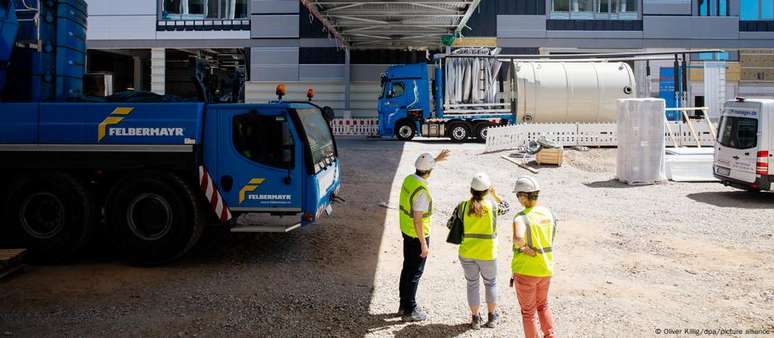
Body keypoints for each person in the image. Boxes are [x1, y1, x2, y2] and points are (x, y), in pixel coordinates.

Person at [397, 149, 450, 321]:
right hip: (417, 235)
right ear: (429, 172)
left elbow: (424, 168)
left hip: (406, 231)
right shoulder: (422, 191)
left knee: (407, 269)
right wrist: (423, 243)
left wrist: (436, 160)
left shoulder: (409, 179)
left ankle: (403, 304)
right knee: (415, 273)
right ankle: (410, 310)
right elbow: (418, 220)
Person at [457, 172, 509, 329]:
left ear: (471, 190)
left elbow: (450, 224)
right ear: (487, 190)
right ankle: (492, 318)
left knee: (472, 284)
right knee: (490, 283)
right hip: (488, 253)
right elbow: (506, 207)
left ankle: (475, 319)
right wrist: (495, 195)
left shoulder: (463, 206)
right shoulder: (493, 206)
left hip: (467, 252)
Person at [511, 176, 557, 338]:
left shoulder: (521, 217)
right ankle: (549, 335)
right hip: (545, 268)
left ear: (524, 196)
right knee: (543, 305)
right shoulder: (549, 214)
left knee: (528, 312)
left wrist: (524, 248)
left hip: (526, 271)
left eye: (518, 195)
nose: (518, 198)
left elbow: (518, 238)